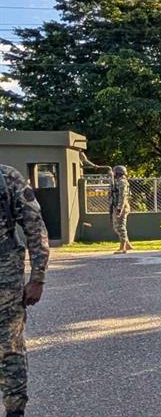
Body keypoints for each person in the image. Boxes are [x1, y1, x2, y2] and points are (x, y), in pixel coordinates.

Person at [0, 164, 49, 417]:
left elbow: (35, 226)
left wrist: (38, 277)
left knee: (10, 347)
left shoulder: (7, 178)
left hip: (5, 281)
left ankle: (14, 411)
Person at [110, 165, 134, 254]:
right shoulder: (118, 181)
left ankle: (123, 247)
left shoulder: (122, 182)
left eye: (115, 172)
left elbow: (122, 196)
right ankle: (127, 244)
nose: (113, 174)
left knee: (120, 227)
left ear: (119, 173)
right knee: (117, 227)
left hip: (122, 207)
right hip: (118, 206)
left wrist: (119, 208)